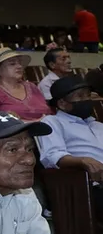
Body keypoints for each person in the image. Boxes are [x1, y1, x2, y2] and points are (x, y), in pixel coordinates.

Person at [39, 76, 103, 217]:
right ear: (62, 103)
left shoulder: (98, 125)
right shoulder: (52, 122)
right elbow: (52, 156)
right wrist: (83, 161)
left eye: (88, 95)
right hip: (86, 186)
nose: (86, 100)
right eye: (80, 96)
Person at [0, 48, 50, 121]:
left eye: (20, 63)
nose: (19, 66)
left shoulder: (31, 86)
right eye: (12, 64)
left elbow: (48, 112)